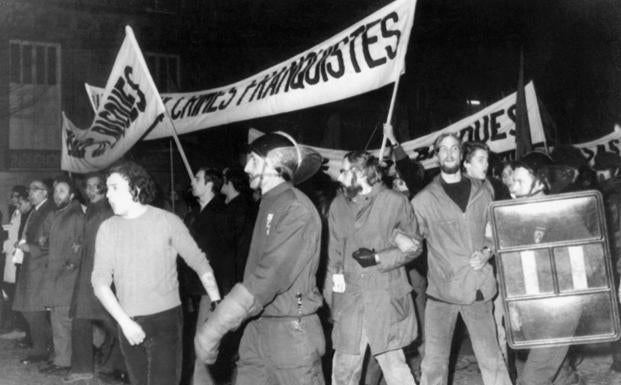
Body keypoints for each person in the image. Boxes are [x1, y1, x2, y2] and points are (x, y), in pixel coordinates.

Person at [195, 132, 326, 385]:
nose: (246, 168)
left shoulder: (296, 208)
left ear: (275, 164)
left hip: (291, 335)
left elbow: (269, 276)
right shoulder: (269, 203)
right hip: (258, 329)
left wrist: (216, 325)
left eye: (253, 161)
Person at [91, 161, 220, 385]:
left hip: (166, 321)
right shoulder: (107, 229)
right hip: (128, 321)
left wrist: (216, 302)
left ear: (136, 188)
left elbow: (199, 262)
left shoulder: (168, 221)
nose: (108, 195)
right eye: (107, 188)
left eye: (114, 188)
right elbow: (99, 282)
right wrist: (125, 322)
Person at [411, 133, 512, 385]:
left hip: (477, 289)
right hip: (441, 294)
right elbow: (411, 242)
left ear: (460, 154)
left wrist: (487, 251)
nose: (448, 154)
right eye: (443, 149)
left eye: (454, 148)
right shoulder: (423, 200)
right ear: (436, 156)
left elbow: (494, 232)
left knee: (493, 362)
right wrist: (397, 239)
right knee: (434, 367)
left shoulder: (484, 191)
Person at [325, 150, 420, 385]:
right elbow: (334, 260)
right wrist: (333, 301)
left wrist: (378, 258)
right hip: (350, 304)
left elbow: (415, 247)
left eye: (344, 171)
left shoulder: (395, 202)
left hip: (385, 300)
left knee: (396, 370)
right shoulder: (338, 206)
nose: (340, 178)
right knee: (344, 372)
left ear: (359, 173)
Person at [507, 153, 585, 385]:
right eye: (513, 180)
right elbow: (513, 264)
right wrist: (514, 306)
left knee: (534, 376)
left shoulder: (561, 213)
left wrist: (557, 272)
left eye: (520, 181)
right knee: (560, 373)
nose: (513, 186)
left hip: (560, 308)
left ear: (541, 182)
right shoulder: (516, 217)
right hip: (532, 308)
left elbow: (590, 256)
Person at [67, 173, 127, 384]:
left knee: (108, 319)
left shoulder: (108, 211)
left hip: (99, 274)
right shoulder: (92, 209)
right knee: (81, 318)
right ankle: (84, 368)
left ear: (104, 188)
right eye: (88, 187)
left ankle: (126, 360)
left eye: (95, 187)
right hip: (86, 273)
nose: (91, 190)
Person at [186, 166, 231, 385]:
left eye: (197, 178)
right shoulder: (199, 213)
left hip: (212, 289)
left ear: (210, 184)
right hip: (198, 288)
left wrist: (217, 293)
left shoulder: (220, 214)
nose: (192, 181)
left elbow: (219, 255)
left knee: (204, 342)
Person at [36, 176, 85, 376]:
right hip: (55, 275)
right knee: (57, 319)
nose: (57, 195)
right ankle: (61, 359)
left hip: (67, 276)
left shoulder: (75, 215)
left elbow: (80, 243)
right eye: (56, 191)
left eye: (62, 191)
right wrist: (43, 239)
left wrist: (70, 265)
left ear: (72, 194)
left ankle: (66, 361)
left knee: (64, 320)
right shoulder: (59, 213)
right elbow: (48, 239)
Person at [12, 179, 55, 365]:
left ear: (45, 192)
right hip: (30, 266)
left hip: (40, 267)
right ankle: (46, 345)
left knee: (35, 310)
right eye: (30, 189)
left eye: (34, 189)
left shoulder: (49, 210)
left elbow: (50, 242)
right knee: (27, 309)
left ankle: (42, 349)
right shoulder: (36, 210)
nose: (30, 192)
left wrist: (29, 247)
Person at [0, 186, 27, 336]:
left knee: (15, 291)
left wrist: (5, 247)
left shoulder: (22, 214)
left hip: (16, 255)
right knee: (10, 291)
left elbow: (17, 238)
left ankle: (20, 326)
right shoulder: (15, 213)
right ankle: (16, 324)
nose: (12, 198)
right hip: (10, 255)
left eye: (15, 196)